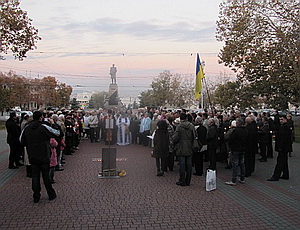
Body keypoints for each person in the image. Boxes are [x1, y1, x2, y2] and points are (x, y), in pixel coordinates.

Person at [20, 111, 59, 203]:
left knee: (35, 176)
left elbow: (21, 141)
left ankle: (36, 196)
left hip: (32, 156)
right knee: (46, 176)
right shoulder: (43, 128)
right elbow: (56, 133)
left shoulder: (27, 128)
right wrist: (53, 124)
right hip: (44, 155)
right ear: (41, 117)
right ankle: (51, 194)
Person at [268, 115, 292, 181]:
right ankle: (285, 175)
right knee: (284, 161)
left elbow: (284, 139)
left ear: (285, 119)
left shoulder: (286, 127)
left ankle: (276, 176)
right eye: (280, 119)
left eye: (282, 119)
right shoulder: (283, 126)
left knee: (280, 162)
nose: (280, 121)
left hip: (283, 148)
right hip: (284, 147)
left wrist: (281, 147)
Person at [173, 113, 195, 186]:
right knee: (189, 165)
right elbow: (195, 136)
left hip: (181, 147)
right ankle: (188, 180)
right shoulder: (192, 126)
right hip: (189, 146)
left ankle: (182, 180)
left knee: (182, 165)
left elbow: (175, 137)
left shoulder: (179, 127)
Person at [225, 118, 248, 186]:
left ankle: (233, 180)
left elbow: (231, 139)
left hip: (236, 149)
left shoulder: (236, 131)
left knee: (235, 164)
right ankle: (242, 178)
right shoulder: (245, 130)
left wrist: (231, 146)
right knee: (242, 163)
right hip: (243, 148)